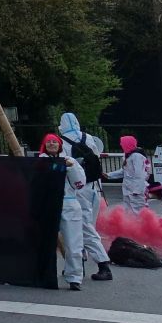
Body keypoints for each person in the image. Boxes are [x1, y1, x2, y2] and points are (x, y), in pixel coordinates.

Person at [57, 112, 113, 282]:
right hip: (95, 187)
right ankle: (77, 266)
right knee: (85, 225)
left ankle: (103, 263)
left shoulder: (62, 141)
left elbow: (63, 166)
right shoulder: (88, 137)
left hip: (77, 190)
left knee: (81, 227)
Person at [41, 133, 88, 291]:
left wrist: (70, 168)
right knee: (44, 243)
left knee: (73, 243)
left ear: (60, 144)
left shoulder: (71, 161)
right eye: (49, 142)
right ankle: (45, 275)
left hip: (68, 204)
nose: (52, 144)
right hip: (48, 205)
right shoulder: (41, 161)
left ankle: (74, 277)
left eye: (54, 141)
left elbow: (80, 184)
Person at [106, 135, 151, 212]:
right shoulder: (129, 156)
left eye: (122, 143)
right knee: (129, 211)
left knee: (138, 211)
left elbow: (140, 174)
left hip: (136, 190)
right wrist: (109, 175)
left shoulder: (137, 156)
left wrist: (137, 190)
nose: (120, 145)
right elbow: (124, 171)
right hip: (128, 189)